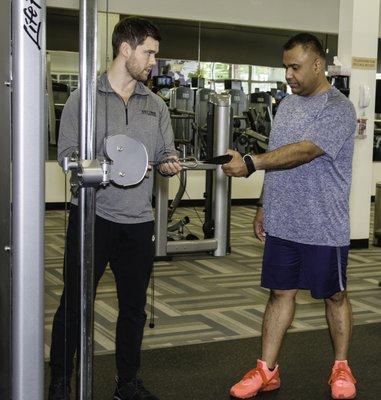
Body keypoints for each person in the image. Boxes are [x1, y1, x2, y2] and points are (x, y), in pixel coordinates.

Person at [49, 17, 181, 400]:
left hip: (138, 221)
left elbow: (164, 153)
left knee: (134, 309)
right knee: (74, 305)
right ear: (126, 49)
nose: (153, 62)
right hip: (92, 217)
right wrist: (104, 169)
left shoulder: (155, 105)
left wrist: (170, 161)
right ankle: (60, 381)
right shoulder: (85, 98)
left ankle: (127, 383)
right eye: (149, 53)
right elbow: (67, 155)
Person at [222, 33, 357, 400]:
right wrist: (264, 204)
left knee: (334, 296)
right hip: (284, 222)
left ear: (317, 65)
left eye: (295, 67)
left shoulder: (338, 108)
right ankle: (266, 370)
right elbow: (278, 156)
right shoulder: (286, 105)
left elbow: (304, 152)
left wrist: (250, 163)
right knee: (279, 294)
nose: (288, 75)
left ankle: (341, 367)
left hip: (324, 224)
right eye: (285, 67)